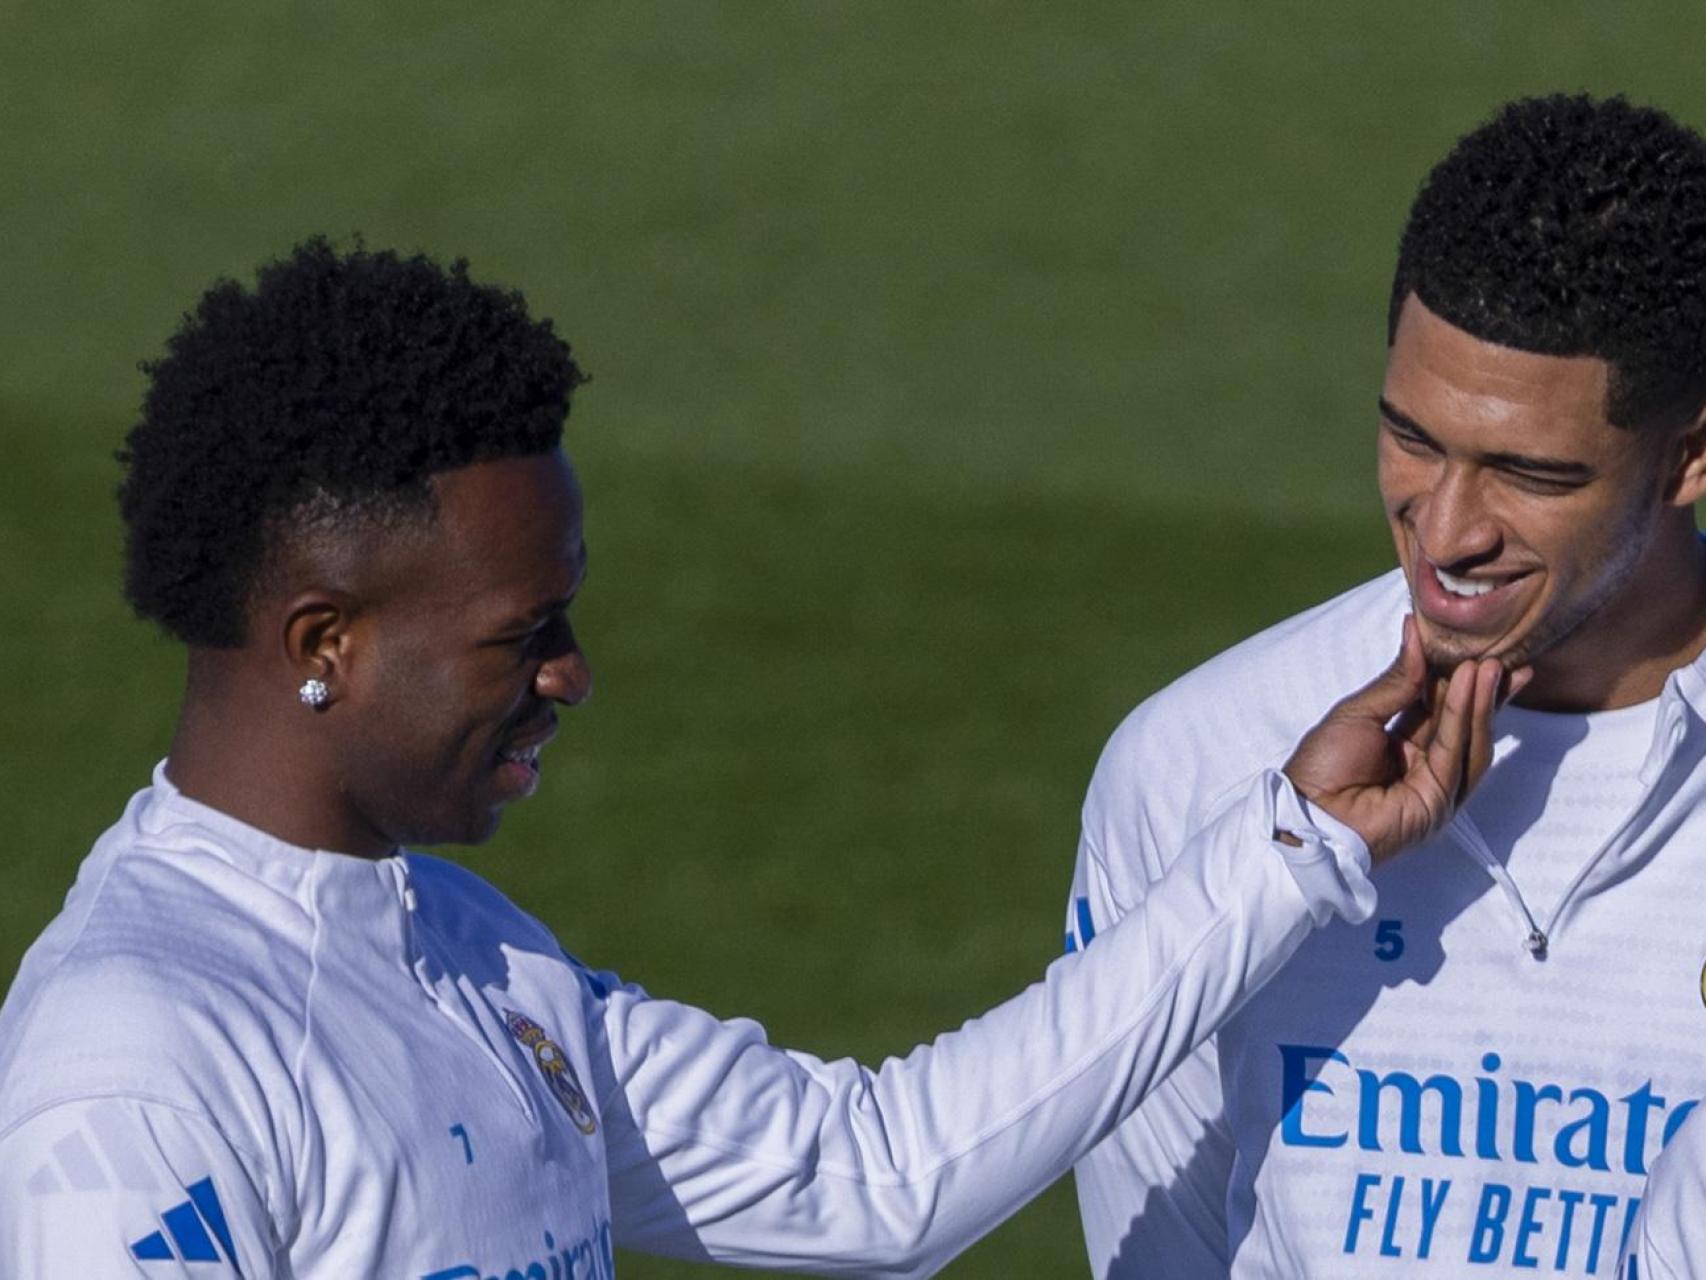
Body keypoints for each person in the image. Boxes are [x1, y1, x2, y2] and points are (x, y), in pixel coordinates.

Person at [0, 240, 1502, 1279]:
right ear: (324, 639)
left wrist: (1292, 847)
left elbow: (878, 1173)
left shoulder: (470, 959)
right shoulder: (135, 1064)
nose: (570, 673)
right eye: (520, 635)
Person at [1066, 92, 1706, 1279]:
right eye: (1411, 438)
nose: (1445, 531)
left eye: (1526, 473)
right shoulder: (1195, 763)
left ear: (1689, 457)